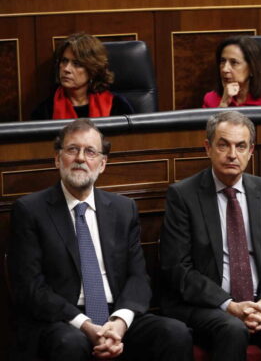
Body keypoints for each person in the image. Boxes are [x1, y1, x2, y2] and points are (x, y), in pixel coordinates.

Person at [8, 119, 192, 361]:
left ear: (102, 163)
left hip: (115, 313)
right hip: (63, 320)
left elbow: (138, 277)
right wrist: (84, 324)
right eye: (72, 149)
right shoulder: (30, 210)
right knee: (70, 343)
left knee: (175, 333)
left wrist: (119, 323)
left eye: (90, 151)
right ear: (57, 158)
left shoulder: (123, 208)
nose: (81, 158)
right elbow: (31, 287)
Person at [159, 111, 261, 361]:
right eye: (224, 145)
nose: (232, 154)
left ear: (251, 150)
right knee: (232, 328)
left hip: (256, 305)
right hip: (205, 306)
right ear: (207, 147)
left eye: (241, 146)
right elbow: (178, 269)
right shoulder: (183, 195)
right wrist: (229, 305)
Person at [31, 33, 134, 120]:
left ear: (92, 70)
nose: (66, 69)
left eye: (77, 64)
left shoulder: (117, 106)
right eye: (64, 61)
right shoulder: (45, 111)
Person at [202, 36, 261, 108]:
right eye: (222, 61)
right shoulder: (210, 99)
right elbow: (209, 127)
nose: (224, 69)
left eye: (234, 62)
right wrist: (223, 104)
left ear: (252, 69)